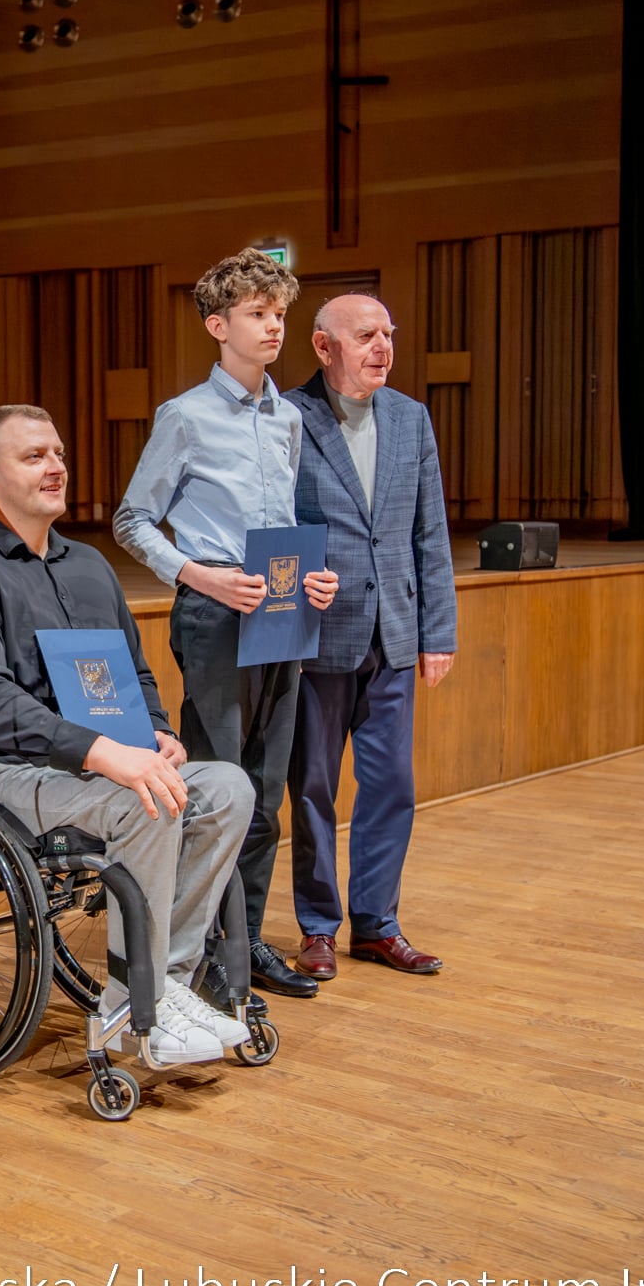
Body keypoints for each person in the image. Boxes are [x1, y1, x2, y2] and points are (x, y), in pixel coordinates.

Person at [0, 405, 267, 1065]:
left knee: (226, 787)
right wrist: (109, 754)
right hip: (13, 768)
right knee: (149, 798)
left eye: (57, 452)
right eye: (33, 456)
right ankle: (134, 999)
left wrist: (158, 733)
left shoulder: (91, 565)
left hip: (108, 763)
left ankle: (161, 981)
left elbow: (134, 672)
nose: (55, 466)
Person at [112, 248, 338, 1002]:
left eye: (280, 315)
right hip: (215, 611)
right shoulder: (186, 416)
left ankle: (243, 943)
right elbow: (132, 519)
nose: (274, 327)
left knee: (267, 791)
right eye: (257, 315)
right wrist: (197, 573)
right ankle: (199, 948)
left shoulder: (289, 417)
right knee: (217, 787)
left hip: (283, 608)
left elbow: (289, 521)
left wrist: (316, 577)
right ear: (218, 325)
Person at [282, 294, 458, 981]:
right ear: (325, 348)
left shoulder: (411, 417)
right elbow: (270, 524)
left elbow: (428, 532)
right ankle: (319, 926)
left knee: (391, 786)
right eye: (366, 335)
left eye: (389, 333)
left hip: (395, 633)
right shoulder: (289, 418)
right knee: (313, 789)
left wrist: (436, 632)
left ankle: (378, 924)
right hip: (318, 635)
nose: (383, 346)